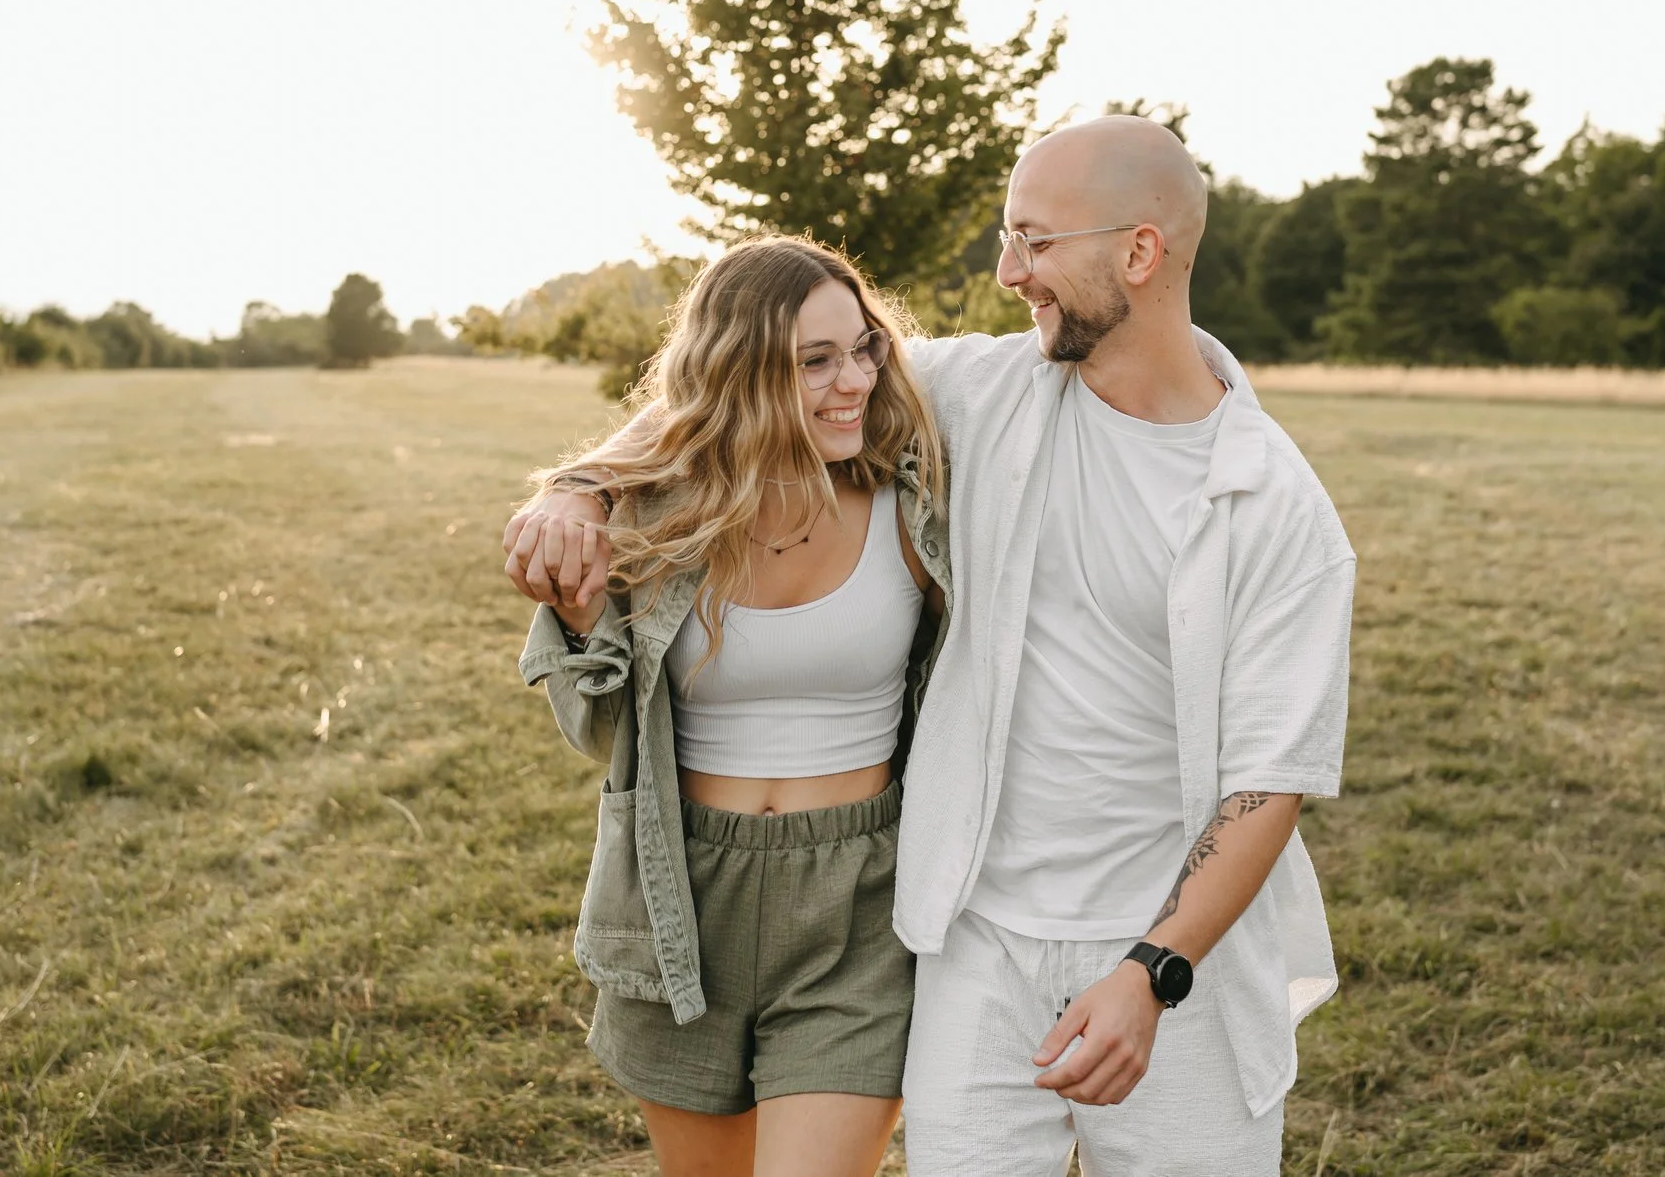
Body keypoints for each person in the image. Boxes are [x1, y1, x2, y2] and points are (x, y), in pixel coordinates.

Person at [511, 114, 1353, 1177]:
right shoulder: (988, 390)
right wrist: (580, 486)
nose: (1008, 271)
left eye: (1034, 240)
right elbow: (735, 384)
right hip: (973, 941)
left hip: (1165, 957)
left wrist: (1152, 970)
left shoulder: (1277, 507)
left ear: (1138, 251)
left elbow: (1266, 783)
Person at [512, 235, 953, 1177]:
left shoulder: (914, 506)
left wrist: (575, 482)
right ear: (742, 376)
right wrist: (582, 569)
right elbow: (600, 734)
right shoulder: (657, 521)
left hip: (857, 904)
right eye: (813, 361)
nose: (856, 381)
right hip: (682, 895)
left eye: (863, 346)